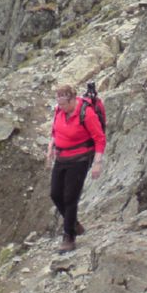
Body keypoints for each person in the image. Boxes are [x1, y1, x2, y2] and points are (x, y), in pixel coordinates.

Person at [46, 84, 105, 253]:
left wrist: (97, 163)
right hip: (62, 157)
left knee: (70, 197)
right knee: (55, 194)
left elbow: (99, 138)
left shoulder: (86, 114)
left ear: (72, 100)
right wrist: (51, 146)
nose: (61, 107)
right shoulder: (60, 110)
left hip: (80, 158)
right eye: (59, 103)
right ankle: (74, 224)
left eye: (64, 103)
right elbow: (55, 131)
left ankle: (69, 236)